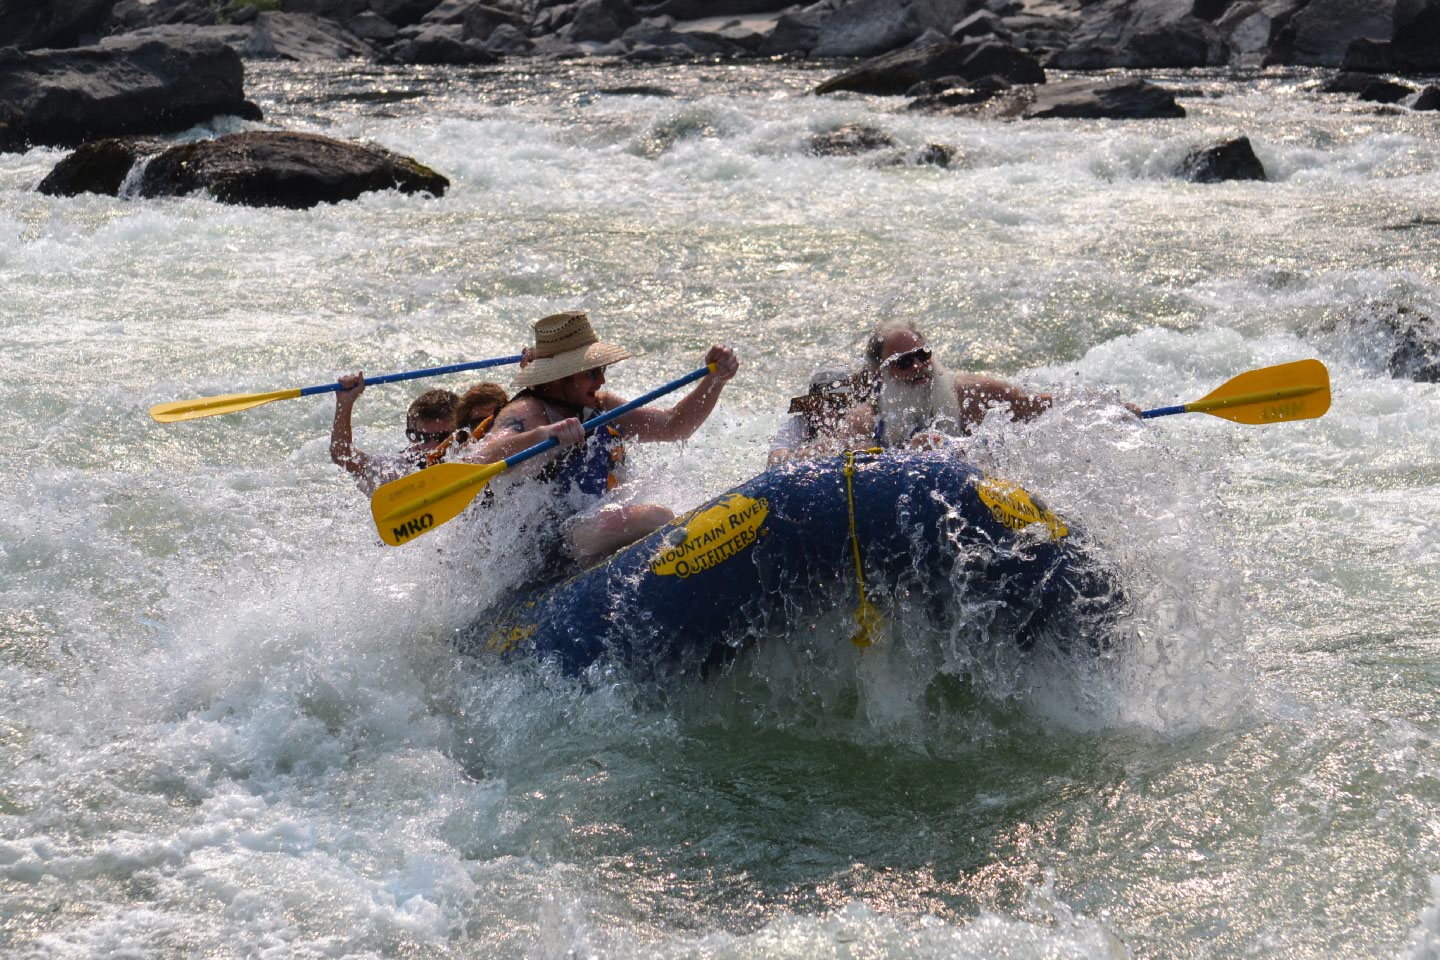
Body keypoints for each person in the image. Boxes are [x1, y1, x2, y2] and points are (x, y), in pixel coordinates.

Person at [469, 310, 739, 566]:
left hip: (592, 528)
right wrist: (542, 435)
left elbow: (674, 426)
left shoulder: (602, 405)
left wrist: (715, 380)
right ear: (562, 376)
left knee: (650, 515)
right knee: (656, 516)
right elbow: (479, 460)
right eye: (591, 373)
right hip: (550, 548)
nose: (601, 381)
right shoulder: (527, 411)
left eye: (602, 370)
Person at [847, 320, 1057, 449]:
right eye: (904, 361)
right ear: (880, 373)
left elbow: (1046, 406)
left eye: (923, 354)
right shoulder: (866, 421)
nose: (918, 365)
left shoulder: (973, 394)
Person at [330, 374, 458, 496]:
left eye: (443, 437)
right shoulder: (398, 470)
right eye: (423, 438)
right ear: (412, 438)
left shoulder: (469, 457)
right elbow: (342, 455)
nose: (434, 447)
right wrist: (345, 403)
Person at [768, 365, 873, 467]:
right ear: (814, 406)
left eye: (846, 404)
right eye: (835, 404)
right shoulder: (800, 425)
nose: (842, 412)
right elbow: (774, 459)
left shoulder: (862, 420)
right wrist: (816, 450)